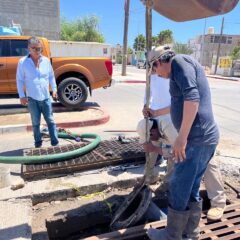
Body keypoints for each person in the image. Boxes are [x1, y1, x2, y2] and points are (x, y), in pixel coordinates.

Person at [146, 46, 220, 240]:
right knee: (192, 187)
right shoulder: (177, 73)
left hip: (197, 139)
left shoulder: (179, 63)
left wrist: (182, 138)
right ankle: (191, 233)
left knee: (179, 186)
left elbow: (192, 99)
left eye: (154, 69)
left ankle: (172, 235)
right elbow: (178, 104)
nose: (155, 74)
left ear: (159, 62)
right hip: (203, 138)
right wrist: (154, 113)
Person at [16, 36, 59, 148]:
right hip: (32, 99)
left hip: (45, 98)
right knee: (35, 123)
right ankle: (38, 144)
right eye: (34, 48)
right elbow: (20, 80)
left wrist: (54, 89)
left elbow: (51, 76)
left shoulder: (46, 61)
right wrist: (22, 96)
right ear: (28, 48)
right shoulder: (22, 62)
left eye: (39, 48)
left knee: (50, 121)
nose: (37, 51)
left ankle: (55, 143)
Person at [137, 73, 177, 184]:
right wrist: (145, 106)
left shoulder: (172, 75)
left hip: (170, 119)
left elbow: (175, 153)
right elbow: (148, 92)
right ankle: (148, 176)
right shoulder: (151, 75)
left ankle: (169, 182)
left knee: (172, 156)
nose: (154, 69)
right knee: (151, 150)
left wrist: (155, 149)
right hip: (154, 116)